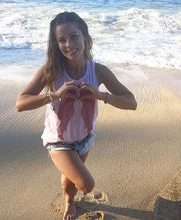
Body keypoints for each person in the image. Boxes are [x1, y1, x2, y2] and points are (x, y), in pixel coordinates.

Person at [16, 11, 137, 220]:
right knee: (86, 184)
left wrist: (100, 95)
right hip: (58, 141)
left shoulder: (98, 71)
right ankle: (69, 180)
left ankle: (69, 202)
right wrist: (54, 94)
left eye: (73, 36)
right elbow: (21, 103)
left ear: (84, 36)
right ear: (56, 44)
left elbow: (131, 102)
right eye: (61, 40)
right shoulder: (51, 71)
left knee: (70, 181)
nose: (69, 44)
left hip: (85, 138)